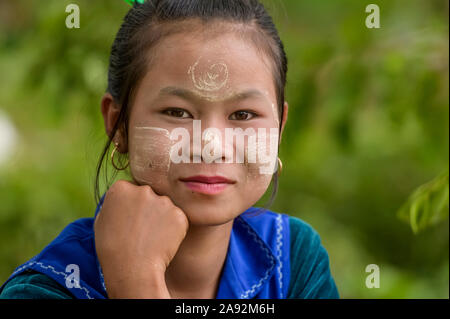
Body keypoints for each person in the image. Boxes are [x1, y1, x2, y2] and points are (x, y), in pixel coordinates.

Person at [0, 0, 339, 299]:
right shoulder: (46, 290)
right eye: (178, 113)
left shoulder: (293, 261)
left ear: (279, 128)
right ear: (119, 125)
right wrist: (134, 277)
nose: (210, 148)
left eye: (243, 115)